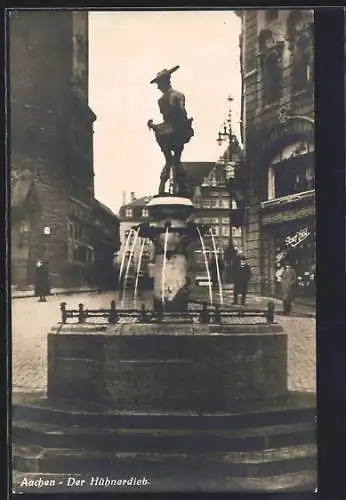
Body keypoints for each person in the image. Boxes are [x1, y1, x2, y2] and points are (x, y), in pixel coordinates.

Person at [147, 65, 194, 195]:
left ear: (165, 82)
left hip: (168, 132)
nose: (158, 87)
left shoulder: (164, 99)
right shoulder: (178, 95)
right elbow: (181, 113)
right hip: (178, 130)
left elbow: (173, 115)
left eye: (159, 84)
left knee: (170, 160)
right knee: (176, 159)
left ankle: (163, 187)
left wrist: (155, 126)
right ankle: (181, 188)